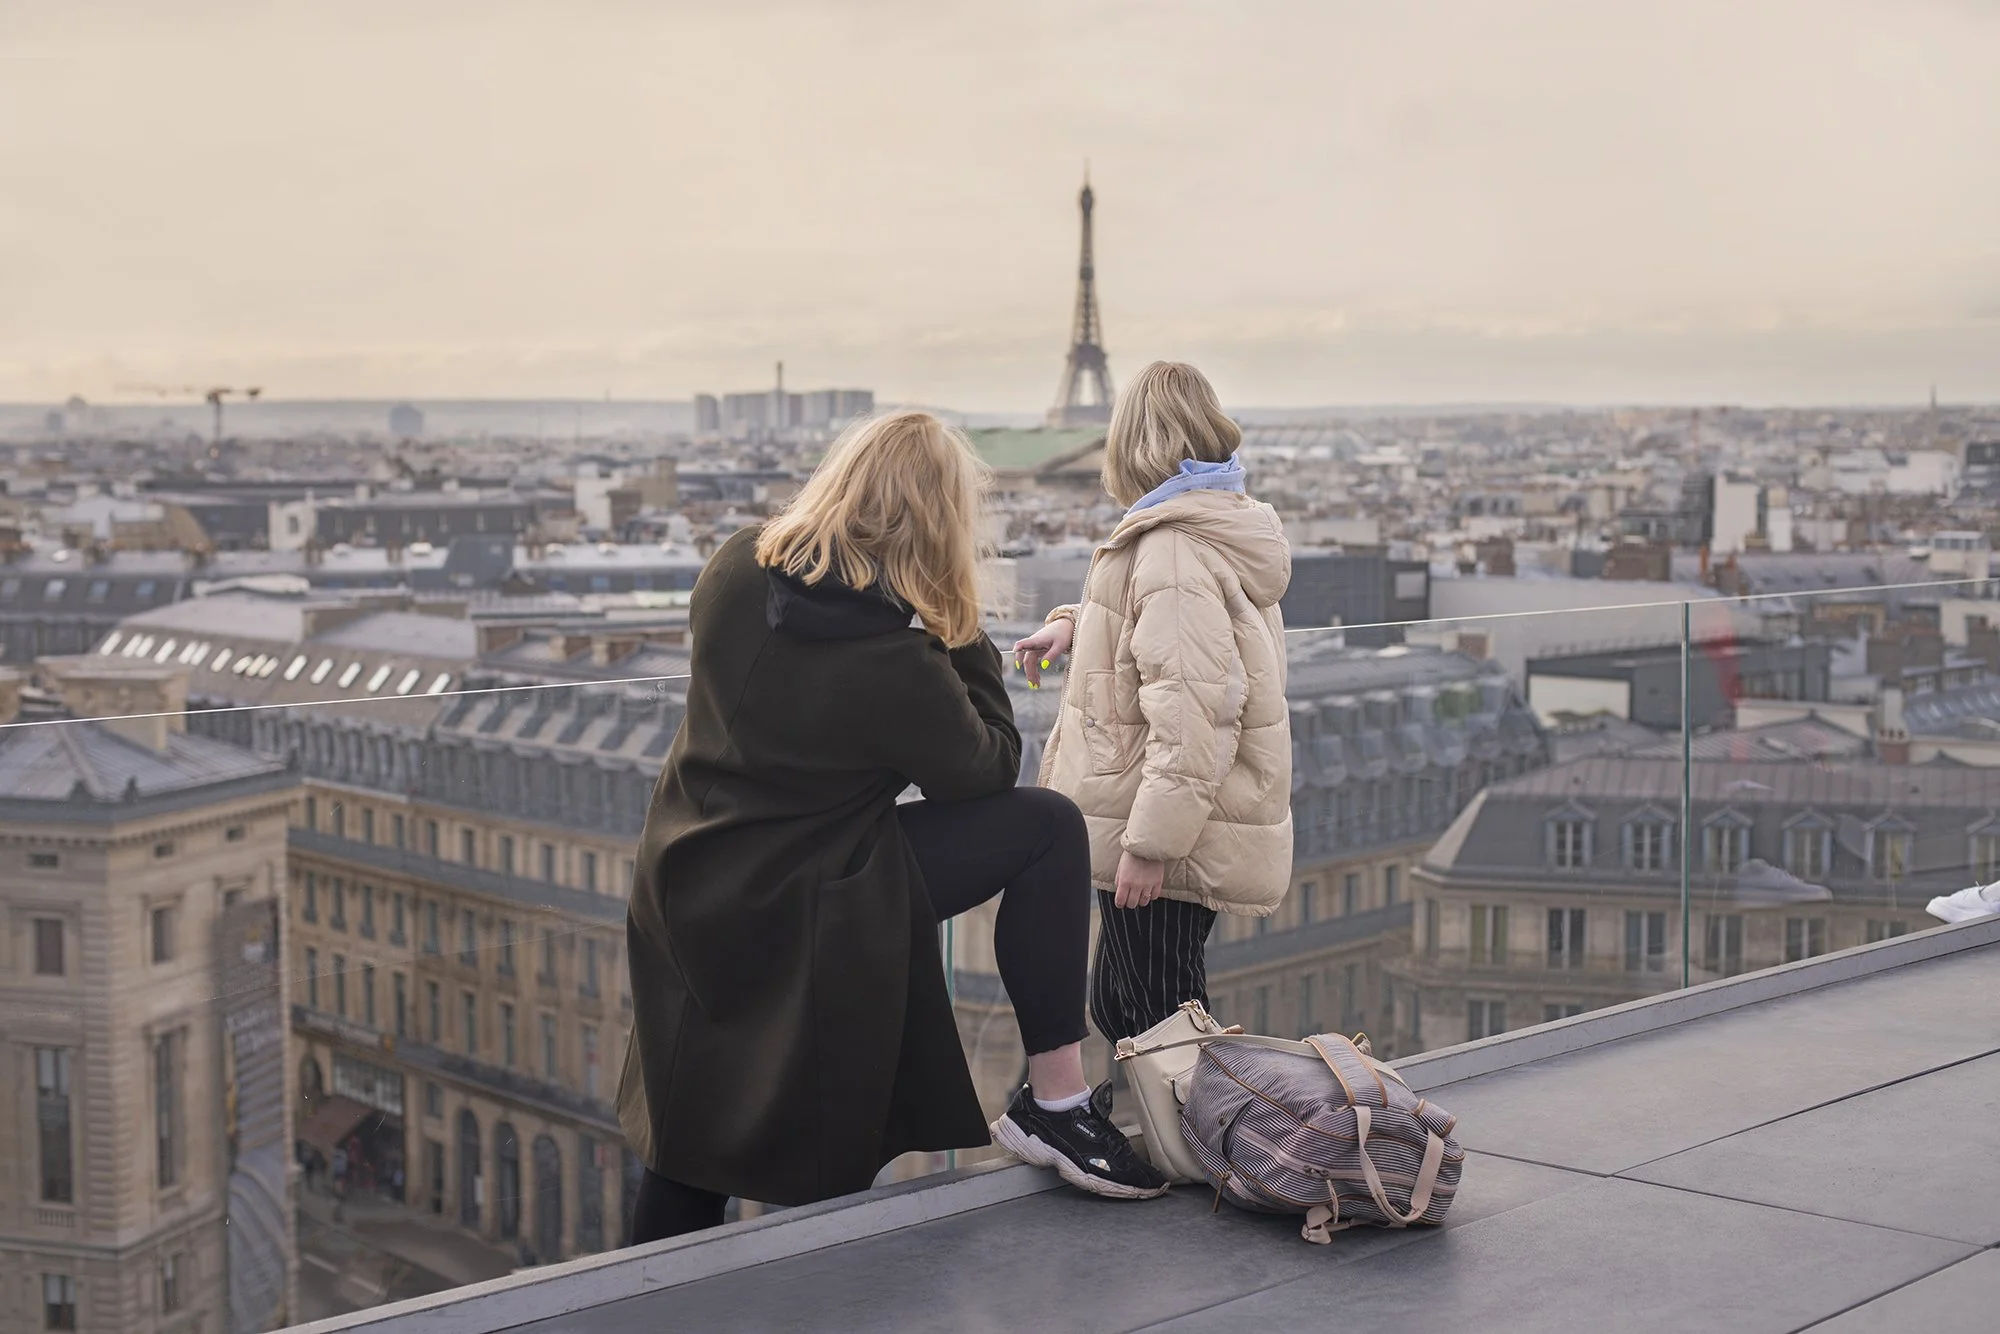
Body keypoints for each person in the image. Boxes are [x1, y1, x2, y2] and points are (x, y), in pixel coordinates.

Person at [617, 410, 1167, 1245]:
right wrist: (958, 622)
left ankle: (641, 1298)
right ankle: (1057, 1100)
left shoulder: (733, 566)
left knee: (691, 1139)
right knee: (1049, 827)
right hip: (811, 891)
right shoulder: (896, 664)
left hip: (687, 874)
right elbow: (983, 771)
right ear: (938, 520)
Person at [1015, 361, 1294, 1042]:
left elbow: (1194, 713)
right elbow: (1168, 638)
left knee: (1161, 1018)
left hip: (1170, 828)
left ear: (1131, 443)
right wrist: (1075, 626)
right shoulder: (1213, 524)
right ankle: (1178, 1137)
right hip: (1178, 811)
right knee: (1123, 1007)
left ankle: (1199, 1147)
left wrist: (1150, 845)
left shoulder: (1170, 545)